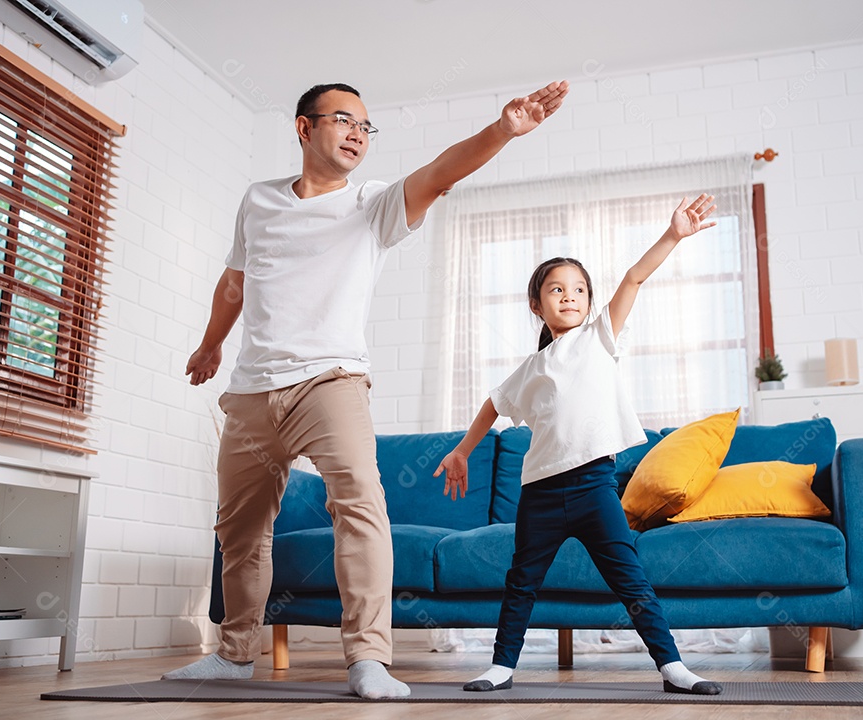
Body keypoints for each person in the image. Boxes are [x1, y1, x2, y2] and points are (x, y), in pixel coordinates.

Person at [166, 79, 569, 699]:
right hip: (251, 391)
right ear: (304, 129)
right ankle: (234, 654)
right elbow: (233, 283)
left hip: (331, 381)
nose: (358, 134)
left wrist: (502, 130)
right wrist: (211, 343)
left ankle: (368, 660)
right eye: (343, 120)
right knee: (239, 530)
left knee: (359, 506)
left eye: (365, 126)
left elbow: (437, 175)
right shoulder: (260, 200)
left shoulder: (372, 204)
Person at [434, 194, 723, 695]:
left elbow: (633, 277)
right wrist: (461, 450)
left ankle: (673, 666)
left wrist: (673, 236)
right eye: (556, 289)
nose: (569, 296)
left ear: (590, 301)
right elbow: (492, 405)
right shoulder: (529, 369)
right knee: (521, 581)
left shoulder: (599, 338)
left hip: (593, 487)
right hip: (541, 493)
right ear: (535, 304)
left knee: (630, 580)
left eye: (579, 289)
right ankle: (501, 667)